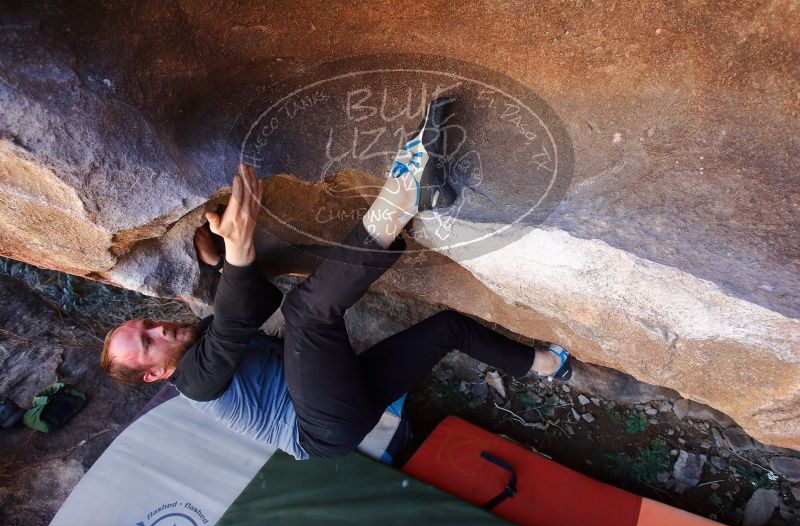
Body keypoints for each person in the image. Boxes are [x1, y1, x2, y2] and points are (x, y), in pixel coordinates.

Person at [100, 98, 572, 459]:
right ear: (155, 373)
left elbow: (253, 305)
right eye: (147, 343)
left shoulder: (199, 344)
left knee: (448, 328)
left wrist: (218, 263)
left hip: (338, 403)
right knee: (305, 312)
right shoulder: (194, 383)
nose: (158, 329)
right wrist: (239, 251)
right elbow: (229, 326)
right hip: (320, 429)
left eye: (147, 324)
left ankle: (548, 365)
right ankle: (407, 190)